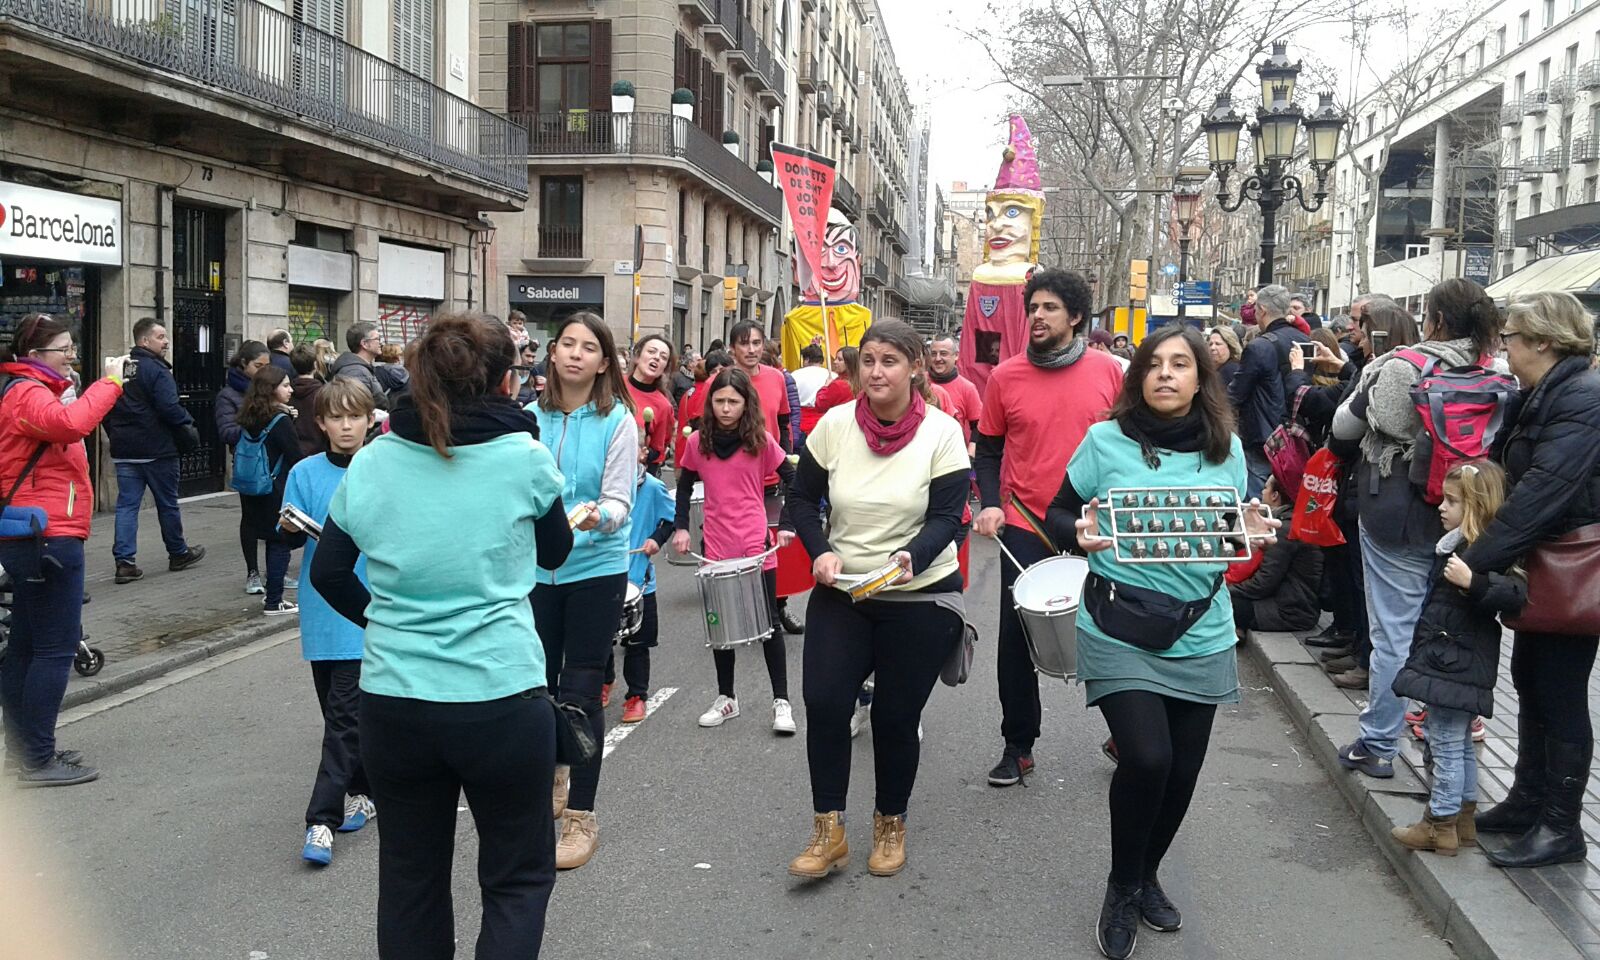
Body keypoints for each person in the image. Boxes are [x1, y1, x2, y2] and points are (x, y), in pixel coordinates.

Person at [311, 312, 569, 959]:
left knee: (410, 881)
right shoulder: (523, 457)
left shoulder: (375, 460)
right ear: (506, 382)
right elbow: (556, 552)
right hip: (501, 694)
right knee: (516, 878)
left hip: (396, 699)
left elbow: (328, 571)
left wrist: (383, 621)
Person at [1045, 324, 1276, 960]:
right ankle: (1121, 887)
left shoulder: (1227, 449)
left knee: (1181, 772)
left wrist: (1252, 523)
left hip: (1202, 627)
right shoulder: (1105, 440)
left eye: (1180, 364)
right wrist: (1076, 534)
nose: (1166, 374)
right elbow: (1058, 512)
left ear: (1201, 379)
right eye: (1155, 364)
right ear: (1139, 376)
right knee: (1147, 758)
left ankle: (1147, 875)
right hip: (1118, 624)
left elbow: (1233, 523)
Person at [782, 320, 969, 880]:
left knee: (894, 715)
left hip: (919, 593)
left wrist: (913, 555)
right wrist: (820, 551)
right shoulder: (836, 425)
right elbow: (800, 498)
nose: (876, 371)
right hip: (845, 591)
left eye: (890, 361)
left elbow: (948, 516)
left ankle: (891, 821)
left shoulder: (942, 432)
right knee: (825, 701)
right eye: (868, 360)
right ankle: (828, 830)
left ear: (915, 367)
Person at [1332, 280, 1497, 780]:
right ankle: (1445, 740)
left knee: (1393, 632)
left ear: (1437, 320)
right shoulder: (1494, 370)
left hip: (1398, 512)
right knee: (1446, 627)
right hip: (1466, 516)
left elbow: (1344, 428)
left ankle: (1380, 742)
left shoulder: (1403, 365)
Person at [1462, 291, 1600, 868]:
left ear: (1543, 341)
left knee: (1560, 692)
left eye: (1511, 337)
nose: (1504, 347)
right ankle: (1527, 801)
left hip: (1572, 565)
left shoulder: (1582, 397)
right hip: (1545, 560)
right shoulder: (1543, 393)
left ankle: (1561, 827)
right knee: (1532, 679)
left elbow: (1543, 492)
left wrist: (1479, 560)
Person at [974, 267, 1123, 786]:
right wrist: (990, 503)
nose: (1037, 316)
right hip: (1026, 523)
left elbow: (1130, 442)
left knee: (1113, 629)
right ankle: (1018, 745)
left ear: (1076, 316)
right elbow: (988, 451)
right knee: (1017, 638)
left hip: (1093, 522)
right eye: (1033, 307)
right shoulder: (1005, 376)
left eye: (1050, 308)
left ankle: (1125, 732)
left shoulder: (1109, 371)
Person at [529, 311, 639, 871]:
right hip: (534, 572)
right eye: (567, 344)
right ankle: (554, 771)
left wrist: (601, 516)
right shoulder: (528, 419)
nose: (576, 353)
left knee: (580, 690)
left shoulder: (618, 419)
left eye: (588, 347)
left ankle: (581, 815)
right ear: (552, 353)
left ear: (603, 362)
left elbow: (621, 499)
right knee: (536, 687)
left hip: (595, 568)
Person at [0, 315, 125, 786]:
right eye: (65, 349)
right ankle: (36, 759)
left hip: (37, 534)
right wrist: (110, 384)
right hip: (47, 537)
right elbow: (72, 426)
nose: (72, 356)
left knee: (26, 649)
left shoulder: (33, 391)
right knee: (54, 650)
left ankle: (25, 753)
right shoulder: (27, 393)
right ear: (35, 355)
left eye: (73, 348)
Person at [1390, 461, 1523, 857]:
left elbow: (1514, 594)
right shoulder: (1459, 546)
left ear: (1476, 507)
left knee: (1445, 740)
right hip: (1454, 660)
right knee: (1459, 740)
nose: (1441, 507)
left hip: (1453, 662)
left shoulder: (1477, 554)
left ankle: (1439, 822)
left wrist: (1473, 582)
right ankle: (1464, 817)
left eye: (1451, 501)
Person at [279, 378, 377, 866]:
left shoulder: (382, 469)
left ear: (370, 420)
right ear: (320, 423)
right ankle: (365, 789)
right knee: (338, 716)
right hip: (320, 609)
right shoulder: (304, 471)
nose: (346, 426)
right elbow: (289, 538)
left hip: (365, 607)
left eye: (354, 416)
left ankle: (321, 820)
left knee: (342, 718)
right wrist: (287, 527)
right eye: (336, 417)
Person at [671, 366, 797, 733]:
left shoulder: (760, 440)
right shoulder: (698, 442)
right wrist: (682, 527)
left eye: (734, 401)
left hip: (756, 545)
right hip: (717, 546)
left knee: (770, 625)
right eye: (720, 401)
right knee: (720, 626)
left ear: (746, 404)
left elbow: (794, 480)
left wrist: (787, 524)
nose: (726, 408)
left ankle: (781, 702)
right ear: (710, 403)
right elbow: (684, 486)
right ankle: (727, 698)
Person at [102, 316, 206, 584]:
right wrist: (187, 424)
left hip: (125, 450)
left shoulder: (120, 369)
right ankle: (178, 552)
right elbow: (169, 407)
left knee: (127, 506)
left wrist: (116, 434)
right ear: (145, 340)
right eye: (161, 337)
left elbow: (105, 406)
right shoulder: (157, 371)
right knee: (167, 503)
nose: (167, 342)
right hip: (158, 449)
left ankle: (125, 562)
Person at [609, 431, 675, 724]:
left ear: (642, 453)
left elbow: (670, 520)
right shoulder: (601, 485)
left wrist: (656, 540)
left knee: (638, 643)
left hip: (639, 579)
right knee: (600, 640)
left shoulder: (653, 487)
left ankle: (636, 695)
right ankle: (605, 680)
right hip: (604, 574)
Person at [235, 365, 306, 616]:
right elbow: (294, 455)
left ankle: (267, 589)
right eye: (285, 385)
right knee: (279, 541)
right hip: (275, 485)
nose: (290, 389)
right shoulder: (280, 420)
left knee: (262, 532)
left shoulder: (249, 415)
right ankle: (274, 600)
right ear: (271, 389)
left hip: (251, 484)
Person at [1228, 284, 1309, 498]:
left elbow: (1236, 393)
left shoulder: (1259, 347)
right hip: (1299, 436)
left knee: (1259, 501)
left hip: (1263, 438)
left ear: (1262, 310)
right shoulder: (1305, 341)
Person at [1228, 477, 1323, 634]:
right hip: (1292, 606)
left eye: (1266, 488)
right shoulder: (1290, 522)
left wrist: (1224, 591)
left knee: (1214, 604)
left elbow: (1262, 584)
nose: (1262, 492)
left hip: (1288, 611)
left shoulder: (1284, 529)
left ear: (1275, 495)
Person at [217, 341, 273, 594]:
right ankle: (253, 572)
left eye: (266, 366)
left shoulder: (270, 389)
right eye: (258, 366)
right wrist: (257, 423)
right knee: (251, 518)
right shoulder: (228, 395)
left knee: (276, 517)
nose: (263, 371)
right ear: (243, 364)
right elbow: (226, 432)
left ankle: (276, 570)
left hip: (274, 461)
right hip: (249, 463)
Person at [626, 334, 677, 475]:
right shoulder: (614, 385)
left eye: (663, 357)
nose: (657, 358)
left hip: (633, 475)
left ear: (665, 368)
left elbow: (658, 451)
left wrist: (645, 455)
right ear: (637, 356)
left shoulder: (664, 406)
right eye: (651, 351)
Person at [928, 334, 982, 454]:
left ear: (956, 355)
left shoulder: (967, 388)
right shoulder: (919, 384)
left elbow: (978, 426)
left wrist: (970, 454)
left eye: (943, 353)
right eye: (934, 354)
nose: (938, 358)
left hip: (952, 454)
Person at [675, 349, 729, 467]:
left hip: (686, 450)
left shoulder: (689, 393)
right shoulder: (703, 393)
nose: (718, 375)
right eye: (713, 371)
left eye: (722, 370)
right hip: (700, 453)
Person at [330, 322, 390, 409]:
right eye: (377, 339)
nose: (381, 343)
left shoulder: (359, 368)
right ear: (364, 344)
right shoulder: (356, 372)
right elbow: (357, 408)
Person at [288, 344, 327, 455]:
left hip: (293, 450)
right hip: (319, 450)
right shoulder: (323, 393)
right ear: (315, 365)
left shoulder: (286, 392)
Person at [792, 343, 832, 446]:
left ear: (806, 359)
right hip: (824, 425)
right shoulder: (832, 376)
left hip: (801, 424)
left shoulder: (794, 375)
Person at [813, 346, 859, 420]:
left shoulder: (838, 385)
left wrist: (825, 386)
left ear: (849, 363)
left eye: (840, 359)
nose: (835, 362)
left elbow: (820, 405)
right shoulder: (861, 381)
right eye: (836, 358)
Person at [1206, 326, 1242, 391]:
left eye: (1218, 344)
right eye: (1210, 344)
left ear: (1230, 347)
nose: (1212, 348)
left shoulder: (1230, 370)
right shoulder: (1216, 369)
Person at [514, 341, 540, 406]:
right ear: (519, 355)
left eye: (533, 357)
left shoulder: (534, 373)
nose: (531, 360)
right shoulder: (508, 371)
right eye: (528, 356)